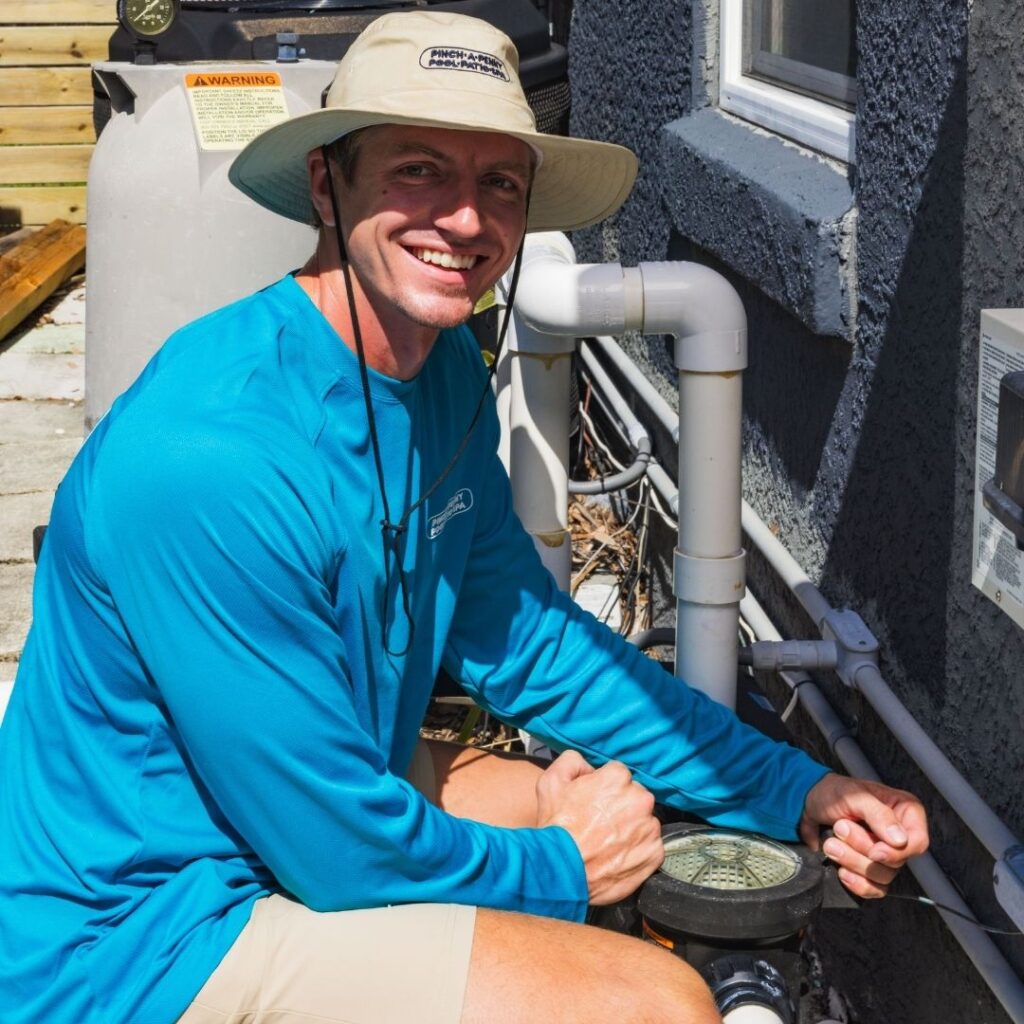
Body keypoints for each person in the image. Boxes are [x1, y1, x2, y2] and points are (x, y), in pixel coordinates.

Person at [0, 11, 928, 1024]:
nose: (464, 219)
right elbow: (343, 855)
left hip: (273, 814)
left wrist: (792, 790)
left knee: (558, 789)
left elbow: (529, 646)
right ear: (326, 182)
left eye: (498, 184)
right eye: (417, 170)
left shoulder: (437, 372)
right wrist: (565, 868)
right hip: (138, 936)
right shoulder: (209, 457)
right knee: (656, 1000)